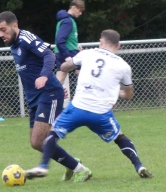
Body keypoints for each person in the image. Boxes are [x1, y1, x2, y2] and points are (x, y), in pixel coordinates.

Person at [26, 29, 153, 182]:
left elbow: (65, 67)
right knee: (120, 137)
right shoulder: (124, 66)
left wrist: (75, 61)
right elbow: (129, 95)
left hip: (78, 108)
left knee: (53, 133)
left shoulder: (87, 53)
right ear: (118, 47)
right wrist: (113, 92)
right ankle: (139, 166)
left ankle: (43, 166)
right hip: (101, 114)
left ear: (101, 42)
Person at [0, 11, 75, 171]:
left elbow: (48, 54)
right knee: (37, 143)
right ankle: (71, 162)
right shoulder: (14, 44)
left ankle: (78, 168)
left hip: (49, 93)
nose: (1, 34)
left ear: (15, 25)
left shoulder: (25, 38)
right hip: (35, 98)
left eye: (3, 29)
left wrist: (45, 77)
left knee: (40, 138)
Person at [54, 0, 85, 107]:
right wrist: (67, 56)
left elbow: (67, 39)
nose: (80, 13)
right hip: (67, 53)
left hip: (66, 51)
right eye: (80, 10)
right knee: (84, 73)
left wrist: (76, 45)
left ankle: (50, 102)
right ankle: (87, 101)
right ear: (74, 7)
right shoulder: (67, 21)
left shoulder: (65, 20)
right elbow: (60, 40)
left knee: (58, 81)